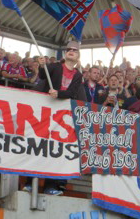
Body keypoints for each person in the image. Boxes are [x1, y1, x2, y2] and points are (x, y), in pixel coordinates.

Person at [28, 41, 86, 196]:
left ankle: (50, 186)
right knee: (39, 146)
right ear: (65, 54)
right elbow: (42, 75)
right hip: (45, 112)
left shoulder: (78, 75)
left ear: (78, 56)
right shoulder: (54, 66)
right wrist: (41, 65)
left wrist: (59, 94)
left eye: (75, 50)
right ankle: (29, 182)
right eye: (69, 50)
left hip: (61, 117)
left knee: (56, 151)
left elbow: (73, 93)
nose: (71, 51)